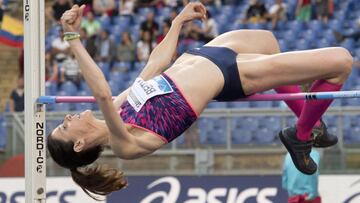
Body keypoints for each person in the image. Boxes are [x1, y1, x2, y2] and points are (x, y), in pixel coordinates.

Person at [47, 3, 352, 199]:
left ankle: (312, 125)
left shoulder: (118, 106)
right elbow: (99, 89)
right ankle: (301, 135)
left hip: (205, 53)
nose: (69, 118)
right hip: (229, 74)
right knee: (341, 63)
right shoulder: (123, 141)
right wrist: (72, 37)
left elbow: (155, 65)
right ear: (79, 144)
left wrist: (178, 21)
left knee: (269, 42)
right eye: (65, 126)